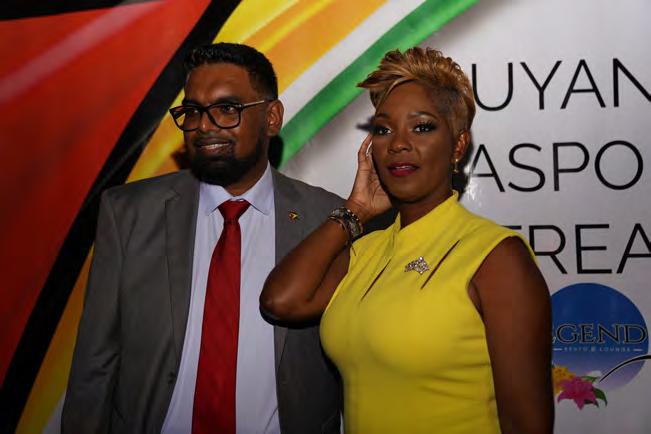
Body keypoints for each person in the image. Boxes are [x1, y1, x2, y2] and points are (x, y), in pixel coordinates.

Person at [261, 47, 554, 434]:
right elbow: (281, 301)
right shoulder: (365, 250)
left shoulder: (496, 257)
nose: (398, 143)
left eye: (422, 127)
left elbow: (527, 425)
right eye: (383, 129)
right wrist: (355, 211)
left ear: (458, 145)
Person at [62, 43, 342, 434]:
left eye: (227, 109)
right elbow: (95, 362)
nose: (204, 126)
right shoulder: (128, 213)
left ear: (271, 117)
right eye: (192, 111)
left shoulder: (328, 219)